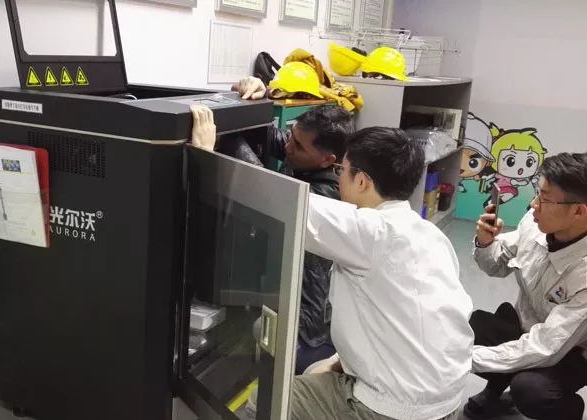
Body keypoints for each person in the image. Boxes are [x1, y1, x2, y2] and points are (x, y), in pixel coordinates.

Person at [192, 115, 475, 419]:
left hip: (396, 408)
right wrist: (342, 362)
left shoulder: (370, 232)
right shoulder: (429, 235)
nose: (338, 178)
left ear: (362, 181)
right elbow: (407, 321)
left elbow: (281, 204)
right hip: (446, 399)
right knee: (316, 372)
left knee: (267, 399)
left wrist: (206, 156)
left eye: (342, 170)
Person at [203, 77, 357, 375]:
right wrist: (256, 93)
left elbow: (268, 195)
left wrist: (207, 151)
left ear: (328, 160)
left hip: (308, 327)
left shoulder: (329, 194)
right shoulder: (304, 151)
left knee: (259, 357)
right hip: (284, 293)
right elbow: (270, 136)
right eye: (291, 135)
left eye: (297, 145)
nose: (287, 146)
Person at [466, 152, 587, 420]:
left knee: (532, 390)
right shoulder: (535, 224)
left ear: (579, 211)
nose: (533, 204)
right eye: (537, 193)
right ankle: (496, 390)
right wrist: (486, 242)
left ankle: (568, 412)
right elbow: (496, 266)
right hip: (529, 323)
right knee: (471, 328)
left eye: (545, 198)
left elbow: (547, 346)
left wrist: (467, 359)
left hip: (573, 350)